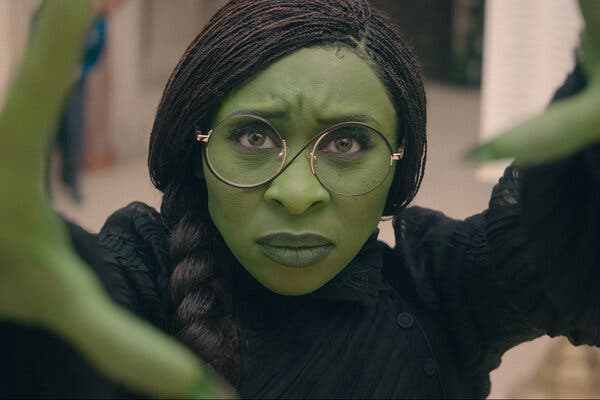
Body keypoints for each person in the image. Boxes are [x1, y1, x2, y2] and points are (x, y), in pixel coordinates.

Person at [0, 0, 598, 398]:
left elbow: (561, 249)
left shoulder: (442, 293)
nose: (296, 193)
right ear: (196, 154)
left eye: (346, 142)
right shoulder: (140, 286)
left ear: (397, 168)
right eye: (254, 136)